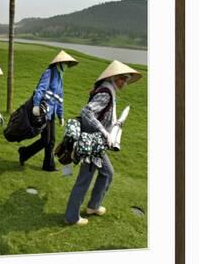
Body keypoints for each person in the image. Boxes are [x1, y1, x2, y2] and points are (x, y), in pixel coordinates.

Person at [64, 60, 142, 226]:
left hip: (97, 143)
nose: (125, 83)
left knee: (108, 173)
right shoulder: (106, 93)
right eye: (123, 78)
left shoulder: (109, 91)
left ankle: (93, 206)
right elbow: (86, 112)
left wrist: (112, 128)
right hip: (92, 144)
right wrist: (104, 131)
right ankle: (72, 217)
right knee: (84, 180)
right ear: (115, 78)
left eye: (126, 79)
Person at [18, 50, 78, 171]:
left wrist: (60, 116)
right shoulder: (49, 73)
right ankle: (24, 152)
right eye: (65, 63)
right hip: (42, 111)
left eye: (67, 64)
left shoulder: (60, 79)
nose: (66, 66)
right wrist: (35, 105)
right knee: (46, 140)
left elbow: (59, 99)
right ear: (59, 63)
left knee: (51, 140)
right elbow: (40, 90)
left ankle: (47, 165)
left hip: (50, 115)